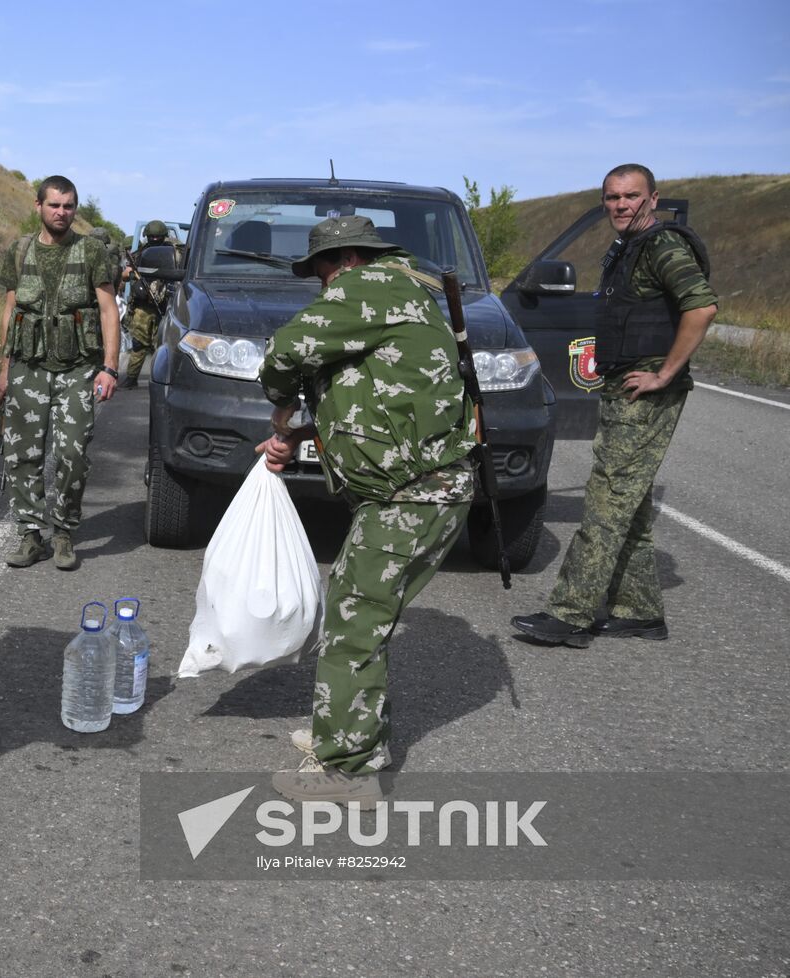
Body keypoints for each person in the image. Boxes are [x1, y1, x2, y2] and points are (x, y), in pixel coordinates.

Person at [255, 216, 475, 805]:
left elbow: (283, 352)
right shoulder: (410, 290)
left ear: (346, 259)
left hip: (411, 495)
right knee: (360, 614)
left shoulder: (365, 286)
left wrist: (280, 400)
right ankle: (348, 735)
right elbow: (377, 397)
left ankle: (346, 773)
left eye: (322, 272)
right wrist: (301, 431)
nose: (322, 287)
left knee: (352, 623)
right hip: (426, 488)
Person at [512, 164, 717, 648]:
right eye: (611, 198)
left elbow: (702, 306)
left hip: (645, 394)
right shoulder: (628, 248)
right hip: (622, 388)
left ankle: (571, 614)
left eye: (630, 196)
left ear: (653, 197)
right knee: (631, 505)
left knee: (605, 502)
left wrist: (664, 373)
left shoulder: (665, 246)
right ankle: (639, 610)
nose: (620, 205)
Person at [0, 175, 121, 570]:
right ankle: (30, 535)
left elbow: (108, 311)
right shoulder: (19, 251)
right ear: (38, 206)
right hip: (28, 368)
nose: (61, 212)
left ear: (75, 210)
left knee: (72, 453)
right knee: (22, 454)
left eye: (68, 206)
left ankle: (64, 531)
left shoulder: (91, 252)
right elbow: (10, 312)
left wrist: (110, 368)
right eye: (54, 205)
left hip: (78, 369)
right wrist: (4, 368)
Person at [120, 219, 181, 388]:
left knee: (163, 346)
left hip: (165, 304)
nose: (154, 239)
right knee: (139, 343)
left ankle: (163, 381)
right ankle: (132, 378)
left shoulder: (175, 253)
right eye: (152, 237)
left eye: (156, 236)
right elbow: (126, 274)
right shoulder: (140, 254)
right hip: (144, 305)